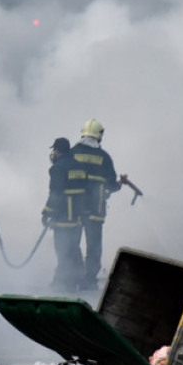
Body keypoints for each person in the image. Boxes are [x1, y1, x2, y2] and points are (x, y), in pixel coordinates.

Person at [58, 119, 121, 291]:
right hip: (96, 209)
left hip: (74, 209)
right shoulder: (104, 157)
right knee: (93, 246)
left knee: (72, 242)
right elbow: (111, 185)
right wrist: (119, 185)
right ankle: (89, 279)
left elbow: (60, 174)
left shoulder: (72, 153)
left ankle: (72, 275)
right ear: (99, 135)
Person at [41, 137, 80, 291]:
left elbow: (55, 194)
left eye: (54, 150)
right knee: (73, 248)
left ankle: (64, 283)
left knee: (62, 250)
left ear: (57, 151)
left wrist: (46, 212)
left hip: (63, 217)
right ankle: (75, 279)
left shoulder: (57, 168)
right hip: (77, 217)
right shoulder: (79, 166)